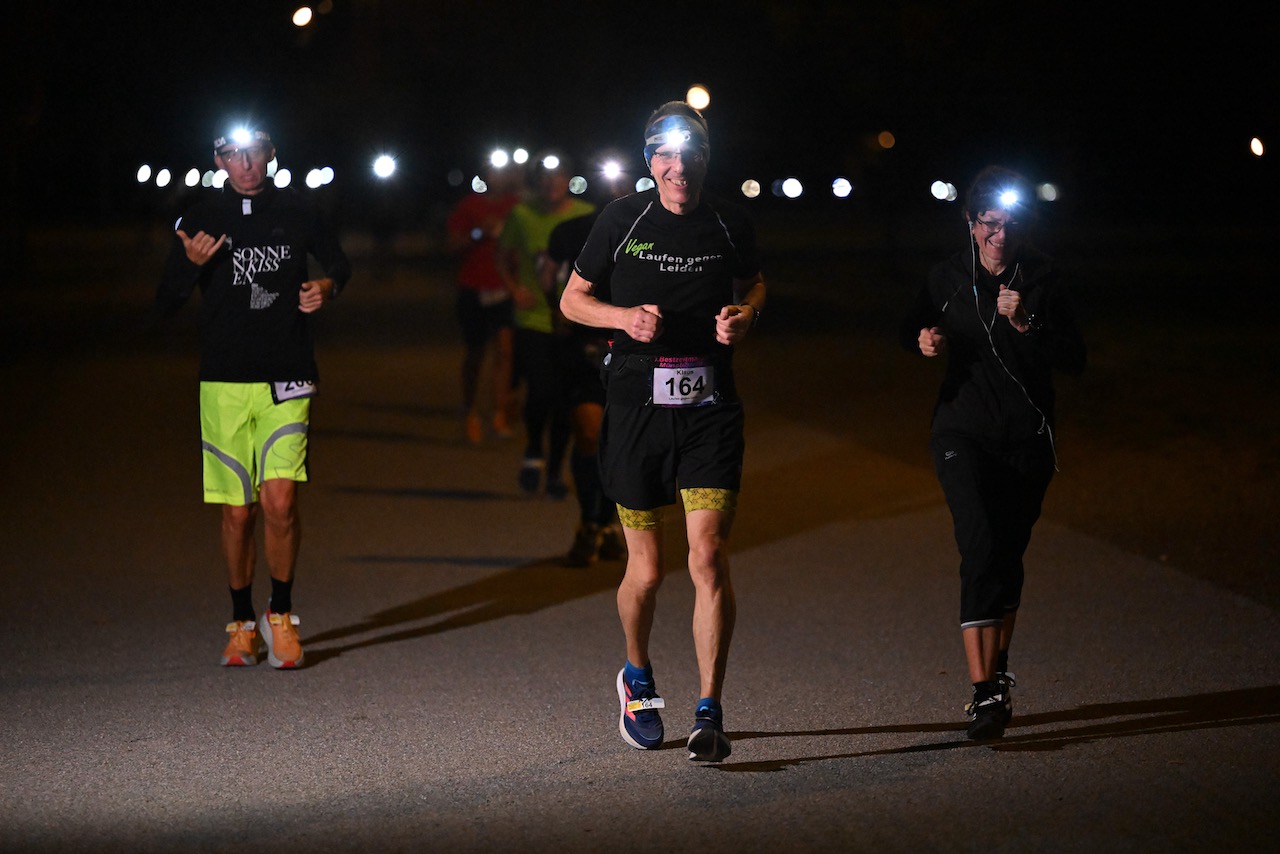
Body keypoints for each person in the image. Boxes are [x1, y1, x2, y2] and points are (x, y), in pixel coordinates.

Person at [559, 101, 765, 762]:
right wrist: (622, 317)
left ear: (705, 156)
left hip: (708, 405)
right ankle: (639, 681)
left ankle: (710, 710)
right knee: (646, 573)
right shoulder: (622, 219)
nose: (678, 168)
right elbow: (570, 299)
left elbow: (755, 282)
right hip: (638, 408)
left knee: (707, 557)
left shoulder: (730, 220)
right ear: (651, 161)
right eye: (664, 156)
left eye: (690, 154)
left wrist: (744, 316)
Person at [154, 123, 352, 670]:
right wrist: (189, 268)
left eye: (255, 152)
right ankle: (242, 624)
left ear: (271, 153)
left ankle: (281, 616)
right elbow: (164, 305)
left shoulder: (298, 209)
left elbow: (339, 263)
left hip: (288, 375)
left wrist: (326, 287)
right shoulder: (199, 218)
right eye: (233, 154)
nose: (246, 163)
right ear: (218, 160)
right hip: (223, 383)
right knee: (238, 514)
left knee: (281, 502)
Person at [900, 165, 1086, 740]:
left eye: (1012, 225)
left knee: (1006, 553)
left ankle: (997, 674)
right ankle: (984, 692)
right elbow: (910, 327)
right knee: (979, 543)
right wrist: (923, 340)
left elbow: (1075, 357)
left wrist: (1027, 323)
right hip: (962, 433)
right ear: (971, 221)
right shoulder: (946, 277)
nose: (1001, 235)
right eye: (990, 224)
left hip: (1028, 439)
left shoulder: (1045, 278)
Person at [498, 154, 595, 497]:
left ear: (569, 178)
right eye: (545, 178)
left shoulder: (586, 215)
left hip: (573, 321)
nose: (551, 184)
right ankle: (534, 452)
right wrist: (515, 288)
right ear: (536, 182)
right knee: (540, 390)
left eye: (558, 177)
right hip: (535, 317)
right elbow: (504, 256)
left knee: (567, 399)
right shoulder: (522, 215)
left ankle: (555, 471)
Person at [539, 192, 627, 567]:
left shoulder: (653, 228)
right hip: (581, 347)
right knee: (589, 432)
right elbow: (548, 275)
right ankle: (588, 522)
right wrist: (556, 309)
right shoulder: (570, 231)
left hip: (631, 349)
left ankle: (606, 523)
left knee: (618, 444)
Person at [445, 161, 522, 444]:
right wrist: (479, 232)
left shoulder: (518, 206)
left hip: (504, 289)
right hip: (473, 288)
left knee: (505, 352)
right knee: (475, 354)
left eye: (504, 172)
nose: (499, 177)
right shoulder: (468, 206)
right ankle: (471, 411)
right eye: (494, 172)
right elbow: (451, 245)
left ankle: (499, 413)